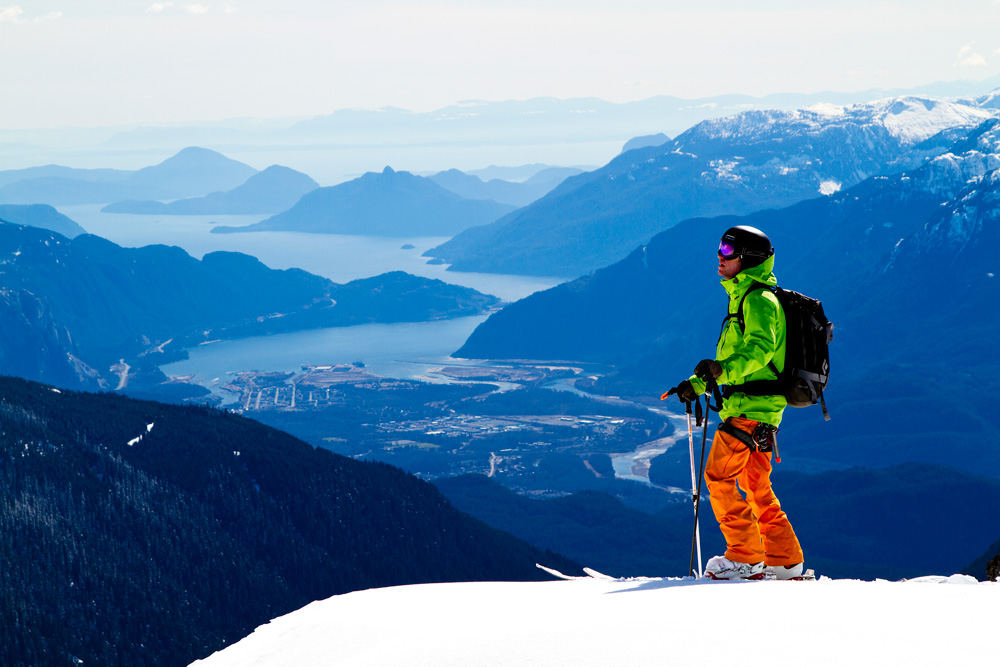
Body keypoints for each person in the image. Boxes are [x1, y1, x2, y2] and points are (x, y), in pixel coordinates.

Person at [665, 225, 804, 580]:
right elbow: (732, 366)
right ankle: (784, 560)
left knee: (717, 476)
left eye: (728, 250)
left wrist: (721, 371)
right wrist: (696, 385)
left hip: (750, 409)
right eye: (720, 248)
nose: (720, 256)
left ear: (749, 258)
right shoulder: (744, 298)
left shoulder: (758, 300)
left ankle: (746, 556)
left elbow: (760, 351)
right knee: (756, 484)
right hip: (760, 408)